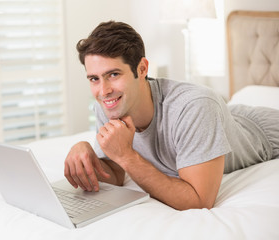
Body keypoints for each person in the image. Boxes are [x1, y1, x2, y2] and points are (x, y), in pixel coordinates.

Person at [64, 21, 279, 210]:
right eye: (94, 79)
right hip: (226, 118)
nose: (103, 91)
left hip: (265, 131)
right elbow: (117, 174)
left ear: (141, 69)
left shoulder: (195, 107)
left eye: (113, 74)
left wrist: (128, 156)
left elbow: (199, 201)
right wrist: (87, 155)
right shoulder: (108, 105)